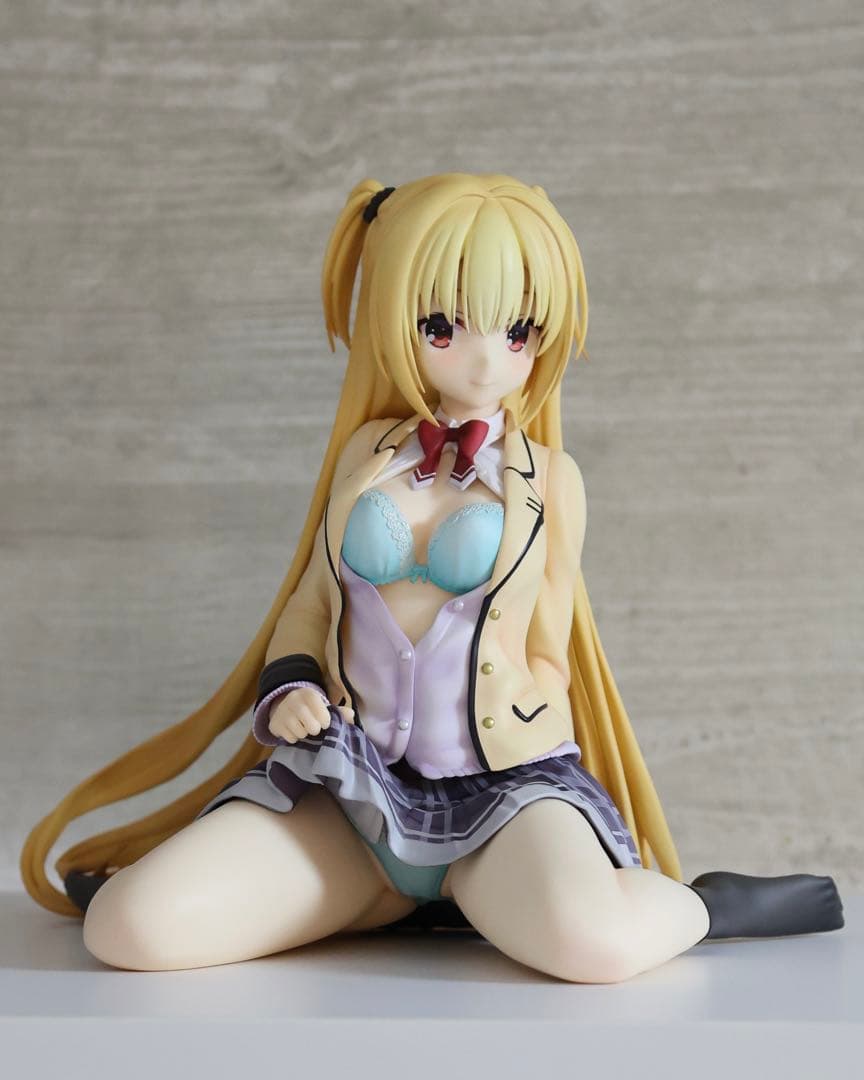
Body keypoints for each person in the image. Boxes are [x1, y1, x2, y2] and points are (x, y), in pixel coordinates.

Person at [20, 172, 844, 980]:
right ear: (394, 319)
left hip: (501, 796)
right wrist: (293, 683)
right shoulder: (365, 457)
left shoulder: (552, 481)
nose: (486, 362)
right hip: (349, 790)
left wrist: (518, 720)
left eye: (517, 331)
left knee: (594, 945)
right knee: (128, 927)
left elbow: (552, 647)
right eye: (444, 327)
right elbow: (313, 602)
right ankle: (374, 900)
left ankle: (702, 906)